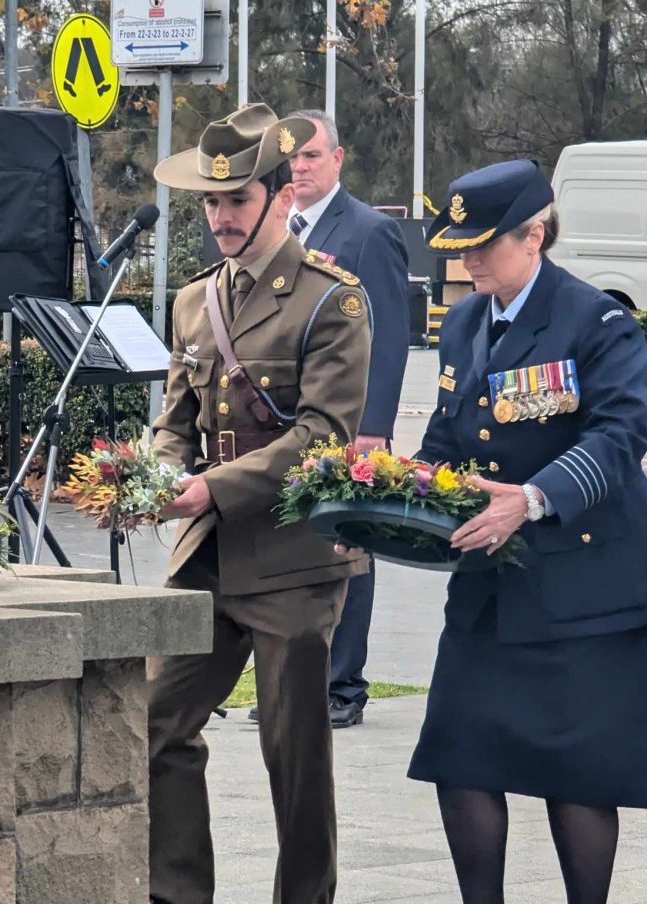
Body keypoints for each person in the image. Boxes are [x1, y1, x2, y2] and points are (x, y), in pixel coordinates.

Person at [402, 160, 647, 903]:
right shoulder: (466, 320)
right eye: (458, 246)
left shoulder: (596, 321)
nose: (465, 261)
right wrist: (385, 500)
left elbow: (621, 438)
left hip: (592, 589)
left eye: (482, 245)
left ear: (535, 234)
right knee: (460, 758)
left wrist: (530, 498)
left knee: (578, 781)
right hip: (495, 588)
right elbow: (447, 436)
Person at [148, 104, 373, 904]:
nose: (219, 219)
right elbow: (176, 423)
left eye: (235, 201)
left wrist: (214, 485)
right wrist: (149, 478)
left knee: (295, 755)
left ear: (280, 196)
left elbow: (323, 433)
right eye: (210, 204)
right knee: (156, 722)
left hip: (294, 560)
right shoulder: (192, 300)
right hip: (206, 558)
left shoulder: (330, 299)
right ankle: (176, 894)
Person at [284, 107, 410, 729]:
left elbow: (388, 334)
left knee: (349, 547)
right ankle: (296, 684)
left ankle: (342, 687)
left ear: (337, 159)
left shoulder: (366, 230)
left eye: (311, 155)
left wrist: (374, 424)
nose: (299, 167)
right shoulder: (274, 225)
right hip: (288, 423)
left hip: (349, 422)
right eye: (291, 157)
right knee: (291, 548)